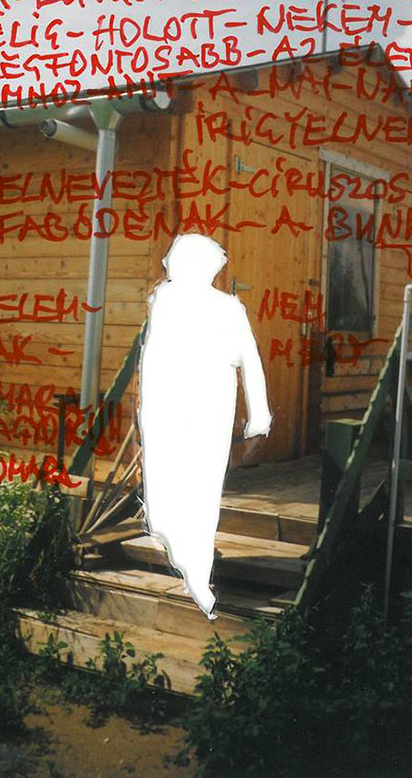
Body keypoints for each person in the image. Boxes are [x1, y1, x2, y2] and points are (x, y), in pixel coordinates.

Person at [139, 234, 272, 618]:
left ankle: (197, 574)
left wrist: (259, 414)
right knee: (167, 486)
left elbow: (250, 359)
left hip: (209, 407)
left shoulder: (228, 308)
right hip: (166, 409)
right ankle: (180, 560)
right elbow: (152, 358)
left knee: (201, 487)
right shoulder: (163, 302)